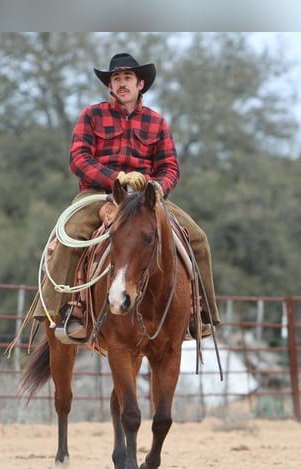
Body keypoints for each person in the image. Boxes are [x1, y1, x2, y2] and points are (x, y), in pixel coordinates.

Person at [33, 52, 220, 342]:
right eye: (116, 79)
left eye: (127, 78)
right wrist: (114, 178)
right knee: (71, 235)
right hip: (98, 194)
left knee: (197, 238)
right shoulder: (91, 115)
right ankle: (61, 310)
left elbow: (170, 166)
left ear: (140, 84)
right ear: (110, 86)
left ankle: (200, 313)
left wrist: (157, 187)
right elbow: (78, 159)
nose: (121, 84)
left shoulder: (156, 123)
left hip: (146, 197)